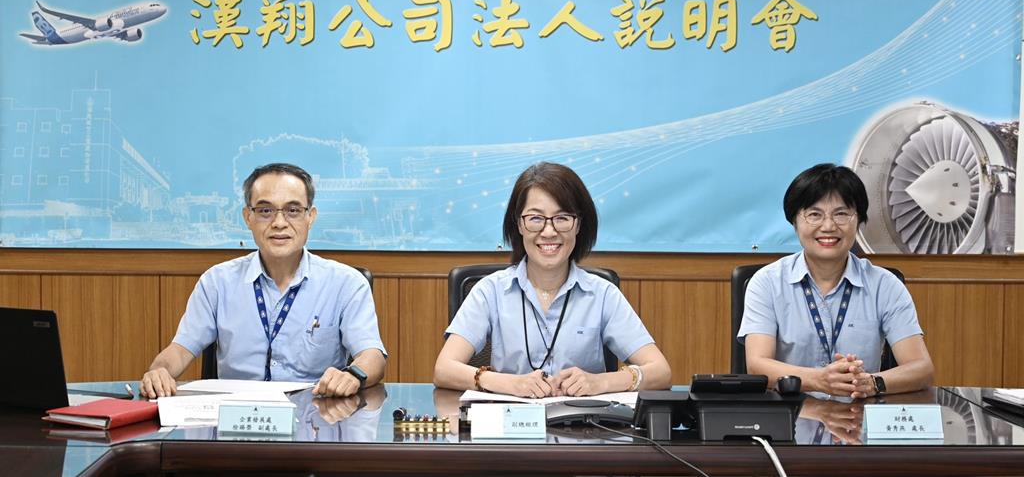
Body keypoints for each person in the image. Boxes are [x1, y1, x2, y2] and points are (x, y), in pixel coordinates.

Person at [140, 163, 386, 398]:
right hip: (236, 416)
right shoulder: (217, 282)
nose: (279, 223)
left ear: (310, 216)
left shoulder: (346, 284)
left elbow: (372, 356)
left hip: (315, 414)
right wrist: (160, 371)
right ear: (248, 217)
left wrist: (353, 374)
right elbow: (180, 350)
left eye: (293, 210)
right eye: (265, 211)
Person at [434, 162, 671, 398]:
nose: (549, 232)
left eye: (562, 218)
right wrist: (509, 383)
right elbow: (444, 369)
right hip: (509, 420)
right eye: (535, 218)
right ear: (519, 224)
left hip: (582, 421)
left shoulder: (602, 294)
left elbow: (661, 372)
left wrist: (601, 382)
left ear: (578, 225)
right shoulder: (490, 291)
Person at [738, 163, 934, 398]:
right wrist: (819, 380)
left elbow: (921, 369)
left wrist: (871, 383)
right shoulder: (767, 283)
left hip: (859, 413)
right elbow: (757, 366)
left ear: (858, 219)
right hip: (790, 414)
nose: (829, 226)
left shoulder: (885, 285)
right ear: (794, 222)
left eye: (841, 214)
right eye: (814, 215)